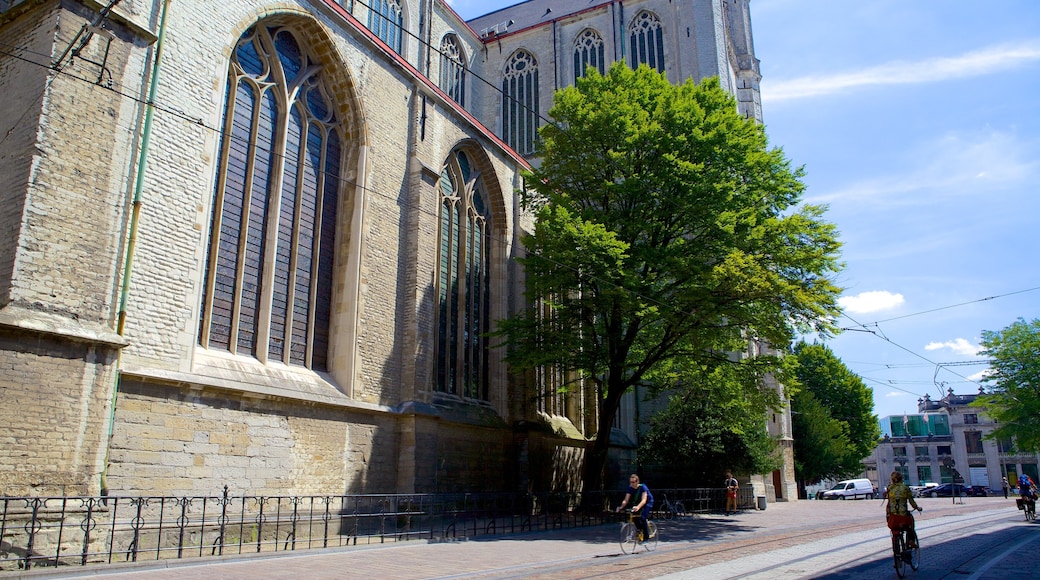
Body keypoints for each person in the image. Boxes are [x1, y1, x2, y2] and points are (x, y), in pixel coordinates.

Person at [884, 471, 922, 549]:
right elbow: (911, 501)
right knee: (910, 524)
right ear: (901, 479)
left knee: (894, 528)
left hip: (893, 516)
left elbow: (889, 502)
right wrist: (917, 507)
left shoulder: (890, 488)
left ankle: (896, 545)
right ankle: (911, 540)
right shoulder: (905, 488)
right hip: (903, 515)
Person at [617, 473, 652, 542]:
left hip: (648, 502)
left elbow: (644, 500)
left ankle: (646, 537)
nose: (632, 484)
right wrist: (621, 507)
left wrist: (638, 507)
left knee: (643, 517)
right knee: (634, 516)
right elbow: (626, 500)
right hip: (638, 502)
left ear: (637, 481)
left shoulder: (643, 487)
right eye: (630, 482)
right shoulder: (630, 488)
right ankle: (639, 530)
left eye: (633, 482)